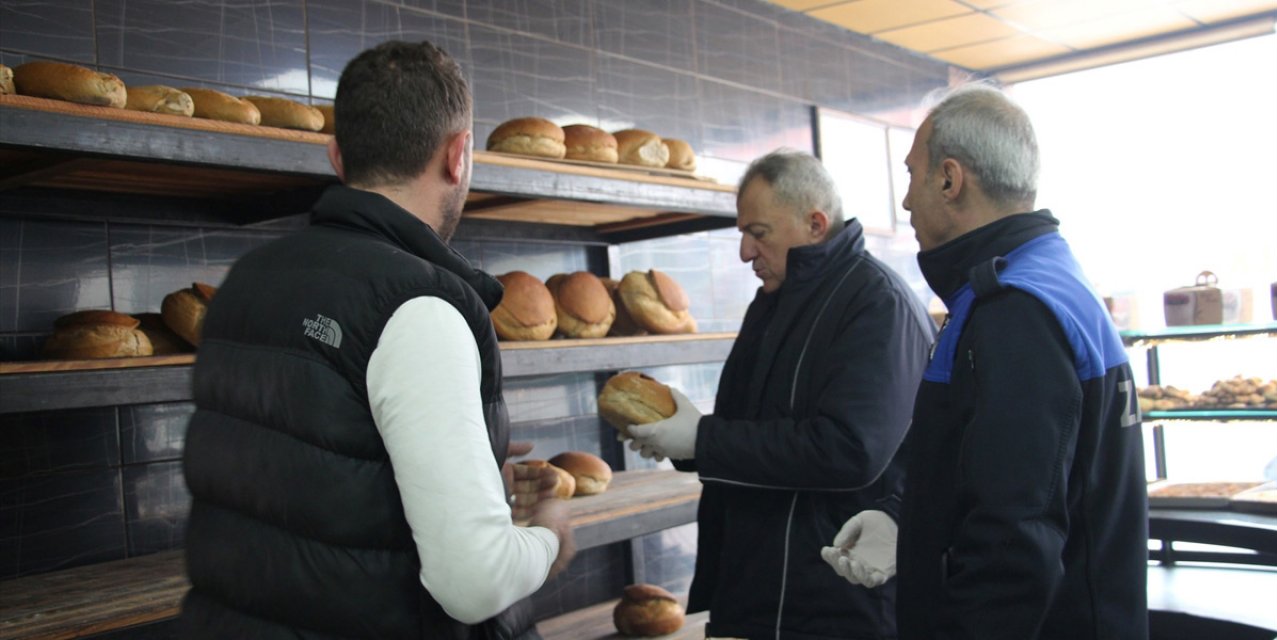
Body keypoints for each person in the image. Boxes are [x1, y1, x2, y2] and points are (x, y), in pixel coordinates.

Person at [179, 40, 575, 639]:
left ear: (339, 158)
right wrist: (549, 532)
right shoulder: (419, 306)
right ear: (459, 155)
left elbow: (307, 465)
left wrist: (467, 456)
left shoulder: (244, 281)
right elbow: (474, 584)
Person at [823, 83, 1148, 639]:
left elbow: (1013, 540)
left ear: (949, 179)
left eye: (911, 175)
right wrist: (906, 518)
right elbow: (990, 462)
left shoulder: (1015, 311)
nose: (905, 202)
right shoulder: (1043, 280)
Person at [626, 150, 935, 638]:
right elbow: (751, 429)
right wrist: (679, 442)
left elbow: (848, 450)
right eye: (742, 233)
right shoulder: (773, 301)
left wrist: (701, 440)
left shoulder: (878, 304)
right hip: (752, 596)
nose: (745, 252)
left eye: (759, 233)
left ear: (815, 224)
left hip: (833, 605)